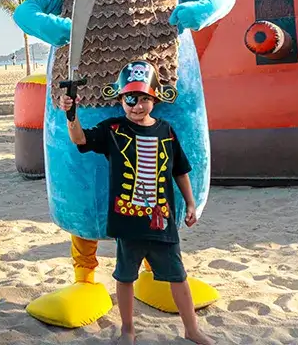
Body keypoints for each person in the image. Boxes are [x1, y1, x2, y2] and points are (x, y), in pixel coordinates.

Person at [59, 60, 213, 345]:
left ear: (155, 98)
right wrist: (71, 114)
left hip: (162, 221)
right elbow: (80, 139)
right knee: (125, 276)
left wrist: (190, 203)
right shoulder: (113, 129)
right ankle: (127, 329)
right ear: (120, 99)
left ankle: (191, 329)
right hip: (128, 222)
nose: (137, 105)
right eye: (130, 98)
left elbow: (180, 169)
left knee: (178, 276)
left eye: (143, 98)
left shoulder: (166, 130)